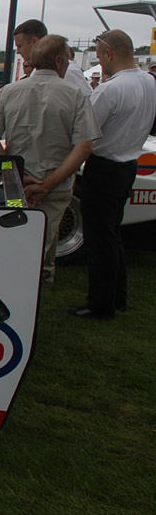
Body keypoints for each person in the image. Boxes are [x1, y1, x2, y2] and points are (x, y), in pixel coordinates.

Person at [0, 35, 100, 284]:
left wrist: (16, 175)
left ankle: (34, 275)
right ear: (59, 60)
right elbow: (84, 147)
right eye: (67, 59)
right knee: (46, 233)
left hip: (16, 184)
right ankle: (35, 280)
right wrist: (48, 184)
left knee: (17, 232)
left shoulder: (8, 93)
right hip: (56, 186)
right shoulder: (76, 95)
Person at [69, 29, 156, 319]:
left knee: (100, 240)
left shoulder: (110, 89)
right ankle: (117, 297)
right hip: (128, 164)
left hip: (105, 167)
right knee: (113, 235)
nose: (98, 62)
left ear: (108, 54)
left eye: (98, 55)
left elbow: (84, 132)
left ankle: (101, 304)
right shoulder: (149, 81)